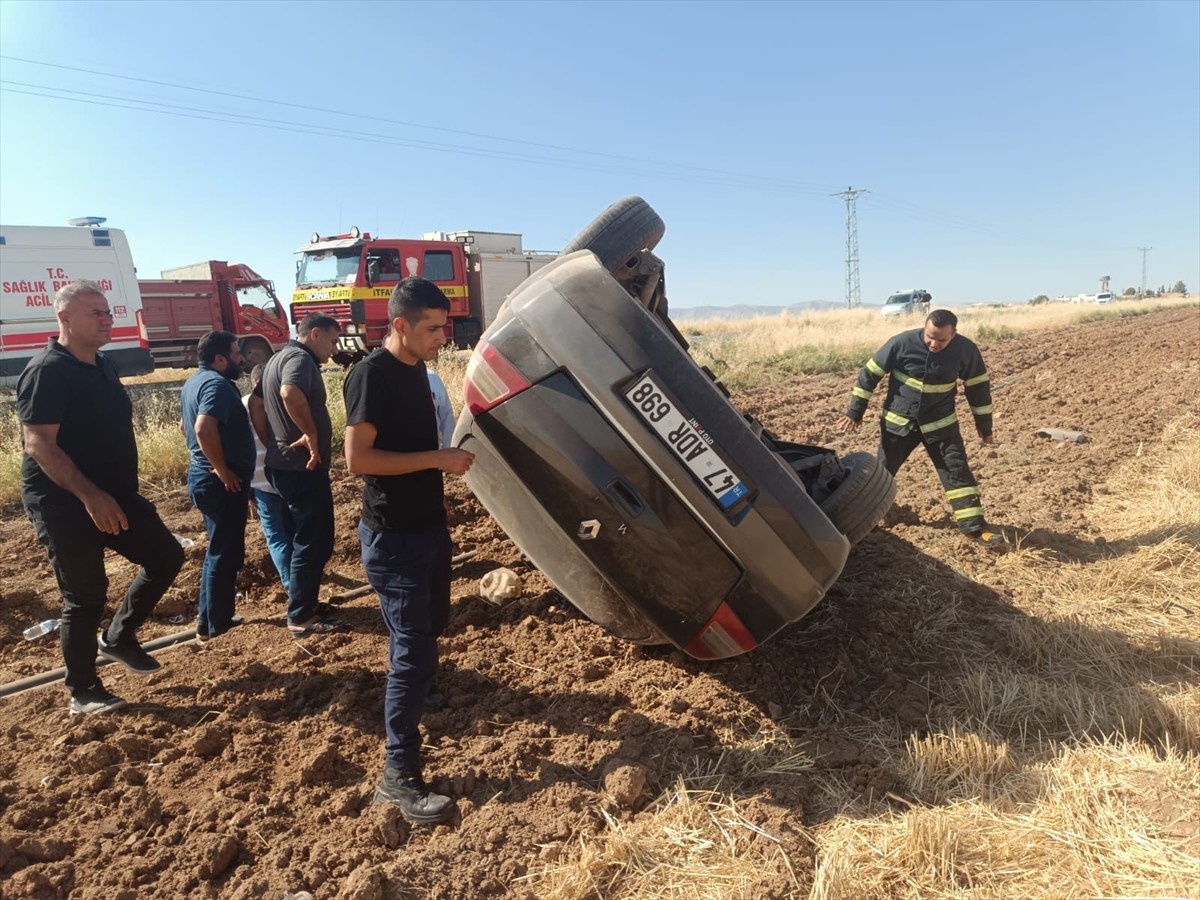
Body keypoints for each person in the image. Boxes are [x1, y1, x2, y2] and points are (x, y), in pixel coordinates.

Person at [17, 280, 185, 715]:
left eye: (108, 312)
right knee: (85, 595)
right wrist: (91, 497)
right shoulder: (47, 371)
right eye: (96, 313)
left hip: (115, 493)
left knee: (166, 556)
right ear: (64, 318)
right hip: (64, 502)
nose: (107, 319)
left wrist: (112, 492)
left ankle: (118, 637)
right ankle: (83, 690)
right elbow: (38, 443)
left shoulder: (104, 366)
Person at [343, 276, 475, 824]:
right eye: (433, 329)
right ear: (400, 325)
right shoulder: (370, 376)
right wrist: (437, 459)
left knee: (433, 625)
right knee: (411, 650)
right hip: (394, 537)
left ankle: (421, 691)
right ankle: (397, 777)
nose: (442, 338)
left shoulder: (417, 368)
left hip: (427, 528)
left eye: (444, 327)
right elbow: (358, 460)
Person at [837, 308, 1005, 549]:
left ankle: (975, 529)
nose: (934, 344)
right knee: (881, 475)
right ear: (924, 328)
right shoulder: (901, 343)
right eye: (930, 337)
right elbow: (869, 375)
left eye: (941, 340)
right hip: (898, 425)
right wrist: (855, 412)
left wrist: (984, 426)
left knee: (957, 472)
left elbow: (978, 388)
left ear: (954, 334)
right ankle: (856, 524)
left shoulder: (966, 350)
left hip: (941, 426)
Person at [262, 313, 341, 635]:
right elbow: (289, 393)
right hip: (302, 467)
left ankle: (304, 603)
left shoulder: (277, 358)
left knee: (305, 539)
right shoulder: (300, 358)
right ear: (315, 334)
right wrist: (310, 433)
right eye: (333, 341)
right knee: (314, 540)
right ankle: (300, 616)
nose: (334, 350)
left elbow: (259, 405)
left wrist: (276, 441)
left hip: (284, 465)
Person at [180, 331, 253, 640]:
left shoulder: (194, 382)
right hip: (219, 482)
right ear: (220, 359)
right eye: (236, 354)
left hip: (204, 476)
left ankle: (208, 621)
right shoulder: (217, 386)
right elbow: (201, 428)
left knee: (218, 549)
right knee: (224, 552)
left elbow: (184, 426)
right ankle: (217, 625)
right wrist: (222, 469)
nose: (241, 359)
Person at [244, 363, 293, 593]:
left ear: (254, 383)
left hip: (261, 481)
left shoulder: (243, 404)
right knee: (292, 529)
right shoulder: (282, 400)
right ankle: (301, 575)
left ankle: (291, 584)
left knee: (275, 535)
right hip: (287, 475)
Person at [427, 368, 455, 449]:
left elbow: (447, 420)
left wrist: (450, 449)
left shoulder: (433, 378)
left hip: (433, 452)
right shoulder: (394, 380)